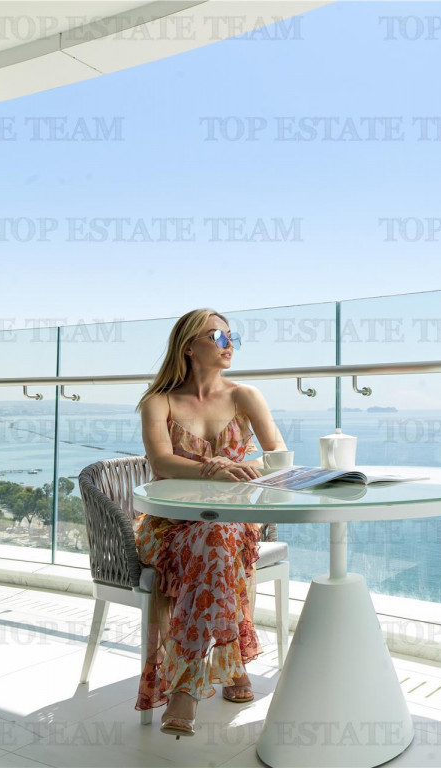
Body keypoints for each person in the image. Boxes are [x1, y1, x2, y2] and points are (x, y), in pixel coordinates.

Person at [134, 308, 287, 739]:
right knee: (213, 543)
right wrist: (210, 468)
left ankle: (185, 689)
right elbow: (161, 461)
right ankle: (231, 665)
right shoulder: (159, 401)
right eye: (218, 337)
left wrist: (240, 466)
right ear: (189, 347)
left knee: (217, 537)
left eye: (231, 336)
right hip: (170, 525)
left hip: (234, 523)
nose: (229, 344)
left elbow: (278, 457)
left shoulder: (245, 396)